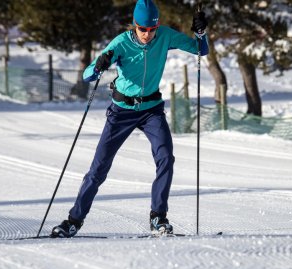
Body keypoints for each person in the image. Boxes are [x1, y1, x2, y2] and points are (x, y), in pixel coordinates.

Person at [51, 0, 208, 238]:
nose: (147, 34)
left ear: (157, 26)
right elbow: (86, 75)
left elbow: (200, 49)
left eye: (151, 29)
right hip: (121, 111)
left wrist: (201, 33)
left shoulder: (164, 36)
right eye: (142, 29)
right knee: (99, 169)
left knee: (166, 157)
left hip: (151, 109)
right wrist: (99, 65)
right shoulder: (121, 43)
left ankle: (158, 217)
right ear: (135, 25)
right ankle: (74, 220)